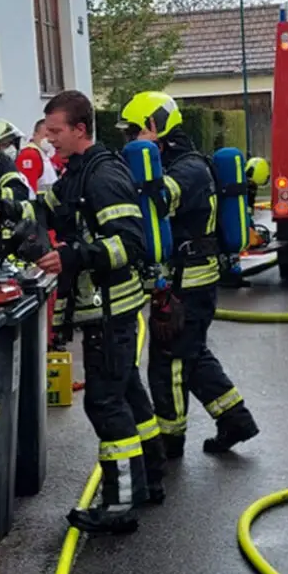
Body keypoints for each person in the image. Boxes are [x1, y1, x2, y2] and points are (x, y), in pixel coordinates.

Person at [36, 89, 165, 534]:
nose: (49, 139)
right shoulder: (76, 172)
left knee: (105, 403)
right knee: (128, 392)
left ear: (79, 129)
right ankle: (150, 477)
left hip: (111, 310)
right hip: (105, 310)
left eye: (55, 131)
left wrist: (72, 256)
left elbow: (129, 244)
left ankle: (119, 504)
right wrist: (6, 210)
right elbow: (49, 208)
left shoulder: (103, 176)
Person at [117, 92, 259, 459]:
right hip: (182, 280)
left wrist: (140, 177)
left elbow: (161, 201)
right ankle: (235, 419)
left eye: (134, 132)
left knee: (170, 364)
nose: (129, 140)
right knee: (192, 355)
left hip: (189, 282)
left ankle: (170, 441)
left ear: (155, 126)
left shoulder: (188, 169)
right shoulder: (177, 162)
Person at [17, 119, 61, 195]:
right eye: (46, 135)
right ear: (35, 135)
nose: (50, 139)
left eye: (53, 135)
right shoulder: (30, 155)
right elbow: (28, 191)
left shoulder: (43, 155)